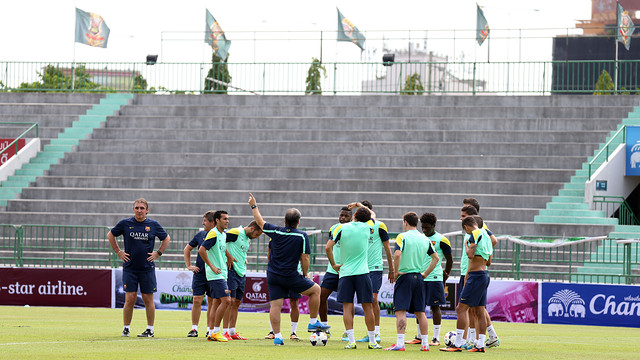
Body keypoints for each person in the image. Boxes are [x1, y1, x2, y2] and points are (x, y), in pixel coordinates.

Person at [248, 193, 330, 346]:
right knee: (316, 290)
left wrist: (254, 205)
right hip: (290, 275)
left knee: (275, 306)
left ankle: (278, 336)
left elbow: (259, 221)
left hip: (272, 274)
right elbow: (305, 258)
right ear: (298, 222)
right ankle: (312, 322)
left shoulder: (275, 231)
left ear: (284, 221)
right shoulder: (302, 236)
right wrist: (306, 274)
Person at [108, 198, 170, 338]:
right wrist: (118, 251)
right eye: (137, 208)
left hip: (147, 268)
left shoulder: (153, 225)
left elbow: (166, 238)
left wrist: (158, 253)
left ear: (147, 210)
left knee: (148, 299)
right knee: (130, 298)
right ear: (133, 209)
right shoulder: (125, 223)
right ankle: (126, 328)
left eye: (142, 208)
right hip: (130, 267)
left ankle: (150, 329)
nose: (139, 210)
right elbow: (110, 234)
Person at [326, 206, 383, 350]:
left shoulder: (341, 228)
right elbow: (373, 215)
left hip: (345, 273)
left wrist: (334, 264)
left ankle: (351, 341)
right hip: (363, 273)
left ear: (354, 215)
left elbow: (328, 247)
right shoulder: (367, 227)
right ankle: (372, 341)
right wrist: (360, 204)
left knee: (347, 307)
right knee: (367, 307)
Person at [384, 212, 439, 352]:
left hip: (405, 276)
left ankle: (400, 343)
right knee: (421, 312)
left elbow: (397, 254)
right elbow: (436, 258)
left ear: (406, 222)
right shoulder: (424, 238)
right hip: (418, 278)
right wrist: (425, 273)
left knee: (400, 311)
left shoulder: (402, 237)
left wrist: (396, 272)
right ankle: (425, 344)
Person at [441, 216, 492, 353]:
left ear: (466, 227)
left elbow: (470, 254)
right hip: (484, 274)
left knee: (461, 308)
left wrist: (466, 245)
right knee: (479, 310)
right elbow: (489, 262)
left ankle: (457, 344)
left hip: (476, 276)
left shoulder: (474, 234)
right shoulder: (487, 236)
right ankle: (480, 344)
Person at [347, 200, 394, 343]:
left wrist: (391, 269)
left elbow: (387, 248)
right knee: (362, 302)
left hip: (375, 268)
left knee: (373, 299)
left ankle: (377, 333)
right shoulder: (357, 226)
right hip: (360, 269)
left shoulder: (379, 225)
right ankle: (363, 333)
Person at [406, 212, 453, 346]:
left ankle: (436, 338)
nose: (424, 230)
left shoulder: (442, 240)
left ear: (433, 225)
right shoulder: (421, 238)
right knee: (418, 307)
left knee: (435, 306)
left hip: (434, 277)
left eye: (427, 227)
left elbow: (450, 260)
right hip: (420, 277)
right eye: (423, 227)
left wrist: (446, 274)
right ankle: (419, 336)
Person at [461, 200, 501, 348]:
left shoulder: (479, 229)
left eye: (463, 215)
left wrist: (484, 256)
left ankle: (473, 339)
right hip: (474, 270)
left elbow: (493, 240)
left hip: (473, 271)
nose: (461, 218)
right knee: (476, 308)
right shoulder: (478, 229)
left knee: (469, 308)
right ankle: (489, 336)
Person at [222, 221, 263, 340]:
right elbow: (219, 243)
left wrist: (243, 259)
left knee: (237, 303)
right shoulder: (235, 232)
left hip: (241, 272)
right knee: (230, 301)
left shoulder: (246, 238)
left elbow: (239, 250)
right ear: (251, 229)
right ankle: (224, 332)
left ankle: (232, 331)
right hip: (231, 271)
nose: (256, 237)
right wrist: (228, 256)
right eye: (256, 234)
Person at [198, 210, 232, 342]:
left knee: (216, 303)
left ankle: (211, 332)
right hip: (216, 274)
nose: (227, 221)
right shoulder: (213, 234)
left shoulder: (222, 235)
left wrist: (229, 256)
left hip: (222, 273)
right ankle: (216, 332)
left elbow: (220, 250)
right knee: (227, 301)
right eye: (224, 219)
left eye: (228, 219)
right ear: (217, 220)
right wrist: (211, 266)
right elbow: (202, 250)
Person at [319, 206, 352, 338]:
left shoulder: (354, 230)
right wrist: (333, 264)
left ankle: (347, 331)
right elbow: (330, 247)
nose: (343, 218)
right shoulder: (334, 228)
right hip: (332, 270)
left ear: (352, 217)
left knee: (347, 302)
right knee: (321, 297)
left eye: (346, 216)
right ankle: (324, 327)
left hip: (347, 270)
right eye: (341, 215)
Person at [183, 210, 216, 338]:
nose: (203, 223)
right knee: (197, 300)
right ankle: (194, 328)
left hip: (213, 273)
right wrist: (189, 266)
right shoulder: (200, 234)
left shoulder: (221, 235)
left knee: (212, 301)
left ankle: (210, 329)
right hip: (200, 273)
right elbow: (187, 249)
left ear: (213, 222)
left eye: (205, 221)